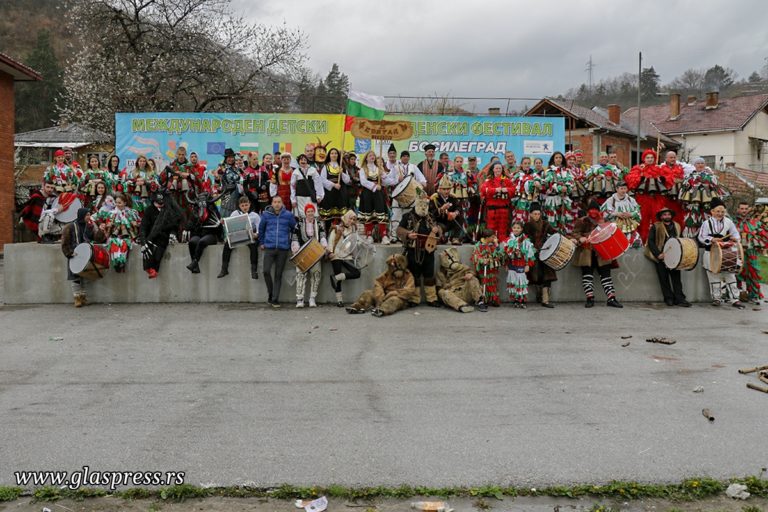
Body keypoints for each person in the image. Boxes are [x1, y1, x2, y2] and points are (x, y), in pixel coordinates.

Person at [569, 200, 623, 308]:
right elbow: (574, 233)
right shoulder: (582, 221)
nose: (593, 212)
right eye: (591, 210)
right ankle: (590, 298)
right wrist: (581, 238)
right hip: (586, 252)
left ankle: (611, 298)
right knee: (587, 276)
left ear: (599, 211)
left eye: (595, 210)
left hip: (601, 252)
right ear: (588, 211)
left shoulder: (603, 221)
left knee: (606, 276)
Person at [396, 190, 442, 307]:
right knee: (414, 275)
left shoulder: (430, 216)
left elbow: (439, 230)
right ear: (416, 204)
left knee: (429, 275)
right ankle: (414, 299)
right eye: (421, 205)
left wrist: (437, 230)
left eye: (425, 205)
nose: (423, 207)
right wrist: (408, 234)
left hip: (429, 250)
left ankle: (432, 298)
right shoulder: (407, 216)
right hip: (413, 250)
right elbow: (399, 230)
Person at [698, 198, 745, 308]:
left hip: (725, 253)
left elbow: (736, 235)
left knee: (730, 275)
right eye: (718, 211)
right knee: (713, 276)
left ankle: (735, 299)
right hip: (710, 253)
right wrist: (712, 239)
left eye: (722, 211)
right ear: (712, 212)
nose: (720, 214)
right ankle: (716, 298)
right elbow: (701, 237)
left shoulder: (729, 222)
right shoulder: (706, 223)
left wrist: (734, 238)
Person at [644, 207, 691, 307]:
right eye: (664, 215)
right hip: (661, 256)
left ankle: (680, 299)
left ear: (671, 216)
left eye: (668, 214)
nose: (667, 216)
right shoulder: (656, 226)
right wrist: (658, 254)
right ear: (661, 217)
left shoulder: (677, 226)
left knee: (676, 279)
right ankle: (668, 298)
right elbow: (651, 241)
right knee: (663, 279)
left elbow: (680, 239)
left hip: (675, 256)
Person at [345, 253, 417, 317]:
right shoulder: (387, 274)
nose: (395, 272)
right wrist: (380, 295)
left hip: (398, 297)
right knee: (367, 293)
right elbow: (378, 283)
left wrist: (394, 293)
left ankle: (382, 310)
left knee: (393, 300)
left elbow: (410, 290)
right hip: (384, 296)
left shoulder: (408, 276)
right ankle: (358, 306)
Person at [61, 208, 106, 307]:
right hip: (74, 255)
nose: (89, 217)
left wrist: (101, 231)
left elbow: (97, 238)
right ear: (81, 215)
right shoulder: (70, 227)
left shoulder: (89, 226)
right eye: (87, 215)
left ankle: (83, 298)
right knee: (75, 277)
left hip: (86, 255)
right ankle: (77, 298)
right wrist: (69, 253)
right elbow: (65, 242)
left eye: (89, 214)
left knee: (85, 276)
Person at [259, 196, 297, 307]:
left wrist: (291, 242)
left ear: (282, 203)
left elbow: (295, 228)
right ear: (272, 203)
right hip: (269, 247)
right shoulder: (266, 215)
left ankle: (275, 299)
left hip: (283, 248)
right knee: (266, 271)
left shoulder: (288, 215)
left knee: (278, 275)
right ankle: (271, 294)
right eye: (275, 202)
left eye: (279, 202)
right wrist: (262, 242)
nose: (277, 204)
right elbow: (261, 229)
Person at [384, 149, 427, 243]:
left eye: (407, 156)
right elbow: (386, 181)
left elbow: (421, 177)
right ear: (401, 157)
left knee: (408, 217)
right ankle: (393, 236)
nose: (405, 157)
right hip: (398, 196)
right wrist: (397, 181)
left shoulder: (413, 167)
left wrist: (423, 183)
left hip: (411, 196)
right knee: (396, 216)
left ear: (409, 157)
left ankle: (405, 236)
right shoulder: (396, 168)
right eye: (404, 156)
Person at [678, 157, 727, 238]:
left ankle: (708, 237)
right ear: (694, 165)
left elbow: (717, 189)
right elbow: (683, 190)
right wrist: (684, 201)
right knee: (692, 220)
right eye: (698, 163)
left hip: (707, 204)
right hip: (693, 204)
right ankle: (691, 239)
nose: (700, 165)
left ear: (705, 165)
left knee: (707, 219)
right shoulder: (689, 177)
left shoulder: (711, 177)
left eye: (702, 163)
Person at [139, 191, 183, 279]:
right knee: (148, 248)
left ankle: (155, 268)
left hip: (164, 236)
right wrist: (143, 241)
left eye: (162, 203)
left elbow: (175, 225)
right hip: (151, 235)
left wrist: (173, 234)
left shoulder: (169, 210)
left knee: (159, 248)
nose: (160, 205)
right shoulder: (149, 210)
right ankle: (149, 268)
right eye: (157, 203)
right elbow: (143, 227)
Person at [291, 203, 328, 308]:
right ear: (305, 213)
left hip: (315, 253)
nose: (310, 213)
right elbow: (295, 237)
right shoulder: (299, 224)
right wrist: (296, 248)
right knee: (300, 275)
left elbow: (322, 235)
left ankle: (312, 298)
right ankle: (300, 299)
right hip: (302, 253)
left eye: (312, 211)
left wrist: (324, 245)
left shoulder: (319, 224)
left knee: (316, 274)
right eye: (308, 211)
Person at [626, 149, 667, 241]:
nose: (650, 159)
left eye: (652, 157)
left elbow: (668, 182)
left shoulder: (659, 170)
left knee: (656, 219)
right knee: (643, 220)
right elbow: (631, 182)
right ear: (644, 159)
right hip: (642, 199)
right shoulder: (638, 168)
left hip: (656, 199)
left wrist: (661, 179)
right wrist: (640, 174)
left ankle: (657, 240)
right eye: (647, 157)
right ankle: (642, 240)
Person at [524, 202, 558, 308]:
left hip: (545, 253)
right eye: (534, 214)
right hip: (532, 254)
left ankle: (545, 300)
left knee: (548, 276)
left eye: (538, 214)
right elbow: (524, 239)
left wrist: (563, 236)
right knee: (536, 276)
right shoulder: (527, 225)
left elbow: (554, 232)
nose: (537, 216)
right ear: (530, 214)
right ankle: (539, 295)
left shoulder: (545, 224)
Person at [218, 195, 260, 280]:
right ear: (239, 206)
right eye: (242, 205)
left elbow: (260, 229)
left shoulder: (255, 215)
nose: (244, 207)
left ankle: (254, 271)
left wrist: (256, 234)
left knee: (253, 246)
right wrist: (224, 222)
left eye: (246, 205)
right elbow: (229, 225)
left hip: (249, 236)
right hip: (237, 236)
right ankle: (224, 269)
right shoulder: (235, 213)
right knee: (227, 245)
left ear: (249, 204)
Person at [327, 210, 364, 307]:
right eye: (350, 218)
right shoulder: (337, 228)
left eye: (353, 219)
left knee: (357, 273)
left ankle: (335, 278)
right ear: (346, 218)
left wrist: (360, 243)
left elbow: (356, 242)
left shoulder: (353, 229)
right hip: (337, 255)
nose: (351, 220)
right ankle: (339, 300)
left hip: (347, 256)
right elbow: (331, 241)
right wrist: (330, 252)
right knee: (338, 272)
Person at [736, 201, 768, 305]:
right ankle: (735, 293)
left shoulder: (755, 222)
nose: (744, 211)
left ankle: (753, 295)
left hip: (751, 250)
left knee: (753, 271)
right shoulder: (733, 221)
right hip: (738, 250)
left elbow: (764, 233)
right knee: (737, 271)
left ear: (749, 209)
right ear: (738, 209)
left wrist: (756, 234)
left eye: (746, 209)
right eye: (742, 208)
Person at [436, 247, 486, 313]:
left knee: (473, 279)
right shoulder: (440, 273)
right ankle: (462, 306)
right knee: (442, 292)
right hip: (453, 295)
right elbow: (439, 288)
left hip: (465, 291)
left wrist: (470, 274)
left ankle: (480, 301)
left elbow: (472, 272)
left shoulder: (463, 267)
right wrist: (448, 286)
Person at [185, 191, 223, 274]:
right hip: (199, 234)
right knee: (192, 242)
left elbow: (219, 225)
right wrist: (195, 220)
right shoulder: (195, 212)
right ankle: (195, 266)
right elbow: (188, 226)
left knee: (202, 242)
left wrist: (220, 236)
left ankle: (195, 262)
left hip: (211, 235)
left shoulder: (213, 211)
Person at [358, 150, 390, 243]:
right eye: (370, 155)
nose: (372, 157)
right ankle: (369, 235)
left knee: (381, 212)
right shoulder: (363, 169)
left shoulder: (378, 168)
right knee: (368, 213)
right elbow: (363, 182)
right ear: (366, 158)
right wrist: (375, 186)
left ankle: (384, 236)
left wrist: (383, 174)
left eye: (373, 155)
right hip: (367, 193)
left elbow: (386, 180)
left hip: (378, 194)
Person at [503, 220, 536, 308]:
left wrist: (527, 264)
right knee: (513, 282)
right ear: (511, 228)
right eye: (514, 228)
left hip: (521, 264)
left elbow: (529, 254)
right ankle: (516, 300)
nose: (516, 229)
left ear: (521, 229)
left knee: (521, 282)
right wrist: (506, 264)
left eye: (518, 228)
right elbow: (505, 254)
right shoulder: (508, 240)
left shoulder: (525, 241)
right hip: (511, 265)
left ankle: (522, 300)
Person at [479, 162, 515, 242]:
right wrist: (495, 190)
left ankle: (502, 245)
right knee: (491, 228)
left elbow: (513, 190)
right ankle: (491, 245)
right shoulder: (488, 180)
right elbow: (483, 190)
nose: (498, 170)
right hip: (492, 210)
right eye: (496, 168)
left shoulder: (507, 181)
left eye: (500, 168)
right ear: (493, 170)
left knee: (503, 228)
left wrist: (507, 190)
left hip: (504, 209)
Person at [105, 193, 140, 272]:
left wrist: (135, 224)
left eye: (119, 203)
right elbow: (107, 225)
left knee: (124, 243)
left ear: (125, 203)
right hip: (115, 235)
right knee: (114, 243)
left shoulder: (131, 212)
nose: (117, 204)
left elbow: (138, 223)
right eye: (116, 202)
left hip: (128, 236)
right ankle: (116, 263)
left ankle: (122, 262)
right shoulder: (111, 213)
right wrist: (108, 225)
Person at [600, 181, 642, 247]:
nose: (623, 190)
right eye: (621, 188)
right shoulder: (610, 200)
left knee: (633, 240)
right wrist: (616, 214)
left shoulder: (631, 200)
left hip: (629, 225)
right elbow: (605, 212)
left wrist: (631, 214)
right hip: (616, 227)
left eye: (625, 188)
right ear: (617, 189)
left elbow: (637, 211)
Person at [543, 151, 575, 234]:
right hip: (552, 199)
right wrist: (559, 187)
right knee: (553, 219)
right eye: (556, 157)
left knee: (564, 219)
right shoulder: (549, 171)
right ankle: (552, 236)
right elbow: (549, 182)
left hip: (563, 198)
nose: (558, 159)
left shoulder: (567, 171)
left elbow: (571, 181)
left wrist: (567, 187)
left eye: (560, 157)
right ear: (553, 159)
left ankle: (563, 236)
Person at [319, 147, 350, 232]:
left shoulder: (342, 166)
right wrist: (333, 184)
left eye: (335, 153)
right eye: (332, 153)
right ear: (329, 155)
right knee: (329, 215)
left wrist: (342, 173)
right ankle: (328, 233)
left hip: (341, 193)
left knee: (340, 215)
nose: (334, 155)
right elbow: (322, 180)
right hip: (330, 193)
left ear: (338, 155)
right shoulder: (325, 166)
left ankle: (340, 233)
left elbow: (347, 180)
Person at [471, 228, 504, 306]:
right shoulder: (479, 245)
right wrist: (482, 260)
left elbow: (500, 254)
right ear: (487, 238)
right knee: (484, 283)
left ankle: (494, 299)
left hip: (491, 268)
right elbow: (476, 255)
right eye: (493, 237)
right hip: (483, 269)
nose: (494, 238)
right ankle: (483, 299)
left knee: (493, 284)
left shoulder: (493, 244)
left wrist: (496, 245)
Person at [161, 146, 194, 223]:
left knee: (186, 214)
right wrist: (172, 174)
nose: (181, 156)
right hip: (174, 193)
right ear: (176, 155)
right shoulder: (172, 165)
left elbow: (197, 178)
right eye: (179, 154)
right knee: (174, 213)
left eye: (183, 154)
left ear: (185, 155)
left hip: (186, 195)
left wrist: (188, 175)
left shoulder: (189, 166)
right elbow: (162, 178)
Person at [430, 174, 464, 244]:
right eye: (444, 189)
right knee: (442, 239)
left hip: (450, 220)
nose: (446, 191)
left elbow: (459, 207)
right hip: (439, 222)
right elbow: (432, 213)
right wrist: (441, 209)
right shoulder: (434, 198)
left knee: (460, 217)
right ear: (439, 189)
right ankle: (441, 237)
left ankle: (455, 238)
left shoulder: (453, 197)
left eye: (448, 189)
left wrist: (455, 213)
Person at [511, 156, 544, 223]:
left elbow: (542, 186)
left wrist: (539, 184)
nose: (527, 165)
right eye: (525, 163)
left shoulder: (534, 175)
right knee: (520, 220)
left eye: (528, 163)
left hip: (532, 202)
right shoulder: (517, 175)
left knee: (532, 220)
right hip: (521, 202)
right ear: (521, 164)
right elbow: (512, 185)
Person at [291, 153, 323, 218]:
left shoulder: (313, 170)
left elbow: (318, 183)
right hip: (300, 198)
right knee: (301, 216)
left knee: (313, 215)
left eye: (305, 160)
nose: (303, 161)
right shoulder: (295, 172)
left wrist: (319, 196)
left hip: (311, 197)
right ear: (298, 161)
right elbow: (292, 187)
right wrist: (293, 200)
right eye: (301, 160)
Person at [215, 148, 242, 217]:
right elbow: (217, 182)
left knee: (237, 215)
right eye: (229, 157)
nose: (231, 159)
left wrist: (242, 157)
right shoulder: (221, 167)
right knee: (226, 215)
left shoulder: (236, 168)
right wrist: (219, 188)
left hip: (238, 195)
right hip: (227, 195)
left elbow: (246, 172)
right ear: (225, 158)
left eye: (232, 157)